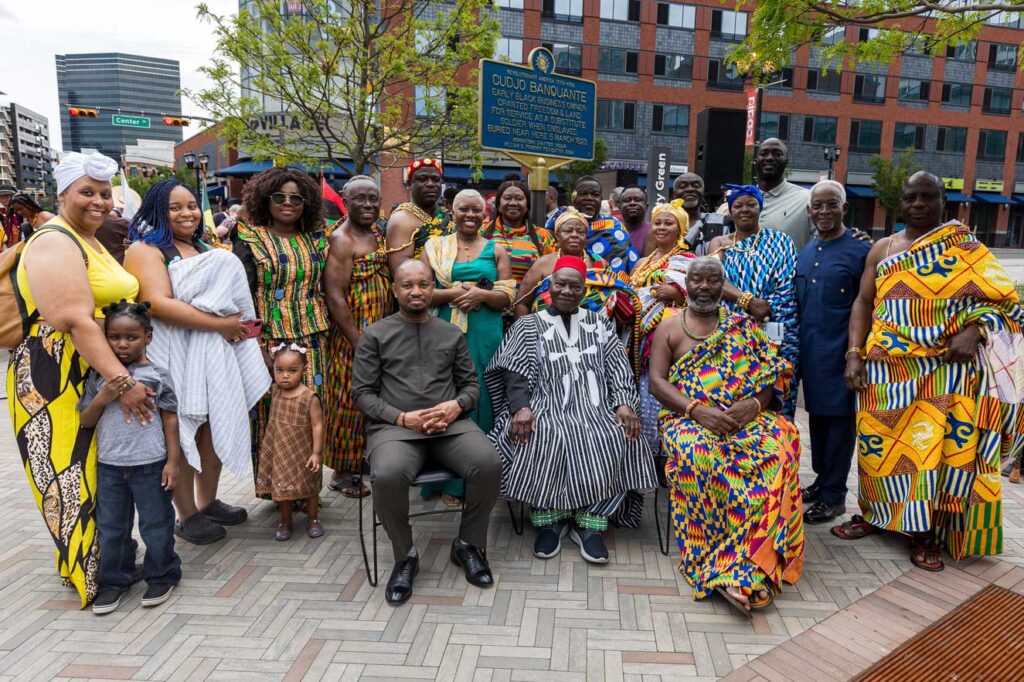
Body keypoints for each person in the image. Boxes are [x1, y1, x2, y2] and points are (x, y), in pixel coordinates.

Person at [833, 172, 1024, 571]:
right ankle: (875, 515)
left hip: (944, 371)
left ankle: (924, 534)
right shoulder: (883, 249)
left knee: (930, 454)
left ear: (943, 202)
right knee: (877, 451)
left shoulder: (968, 249)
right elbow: (863, 303)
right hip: (886, 371)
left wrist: (974, 330)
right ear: (900, 203)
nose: (919, 204)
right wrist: (854, 354)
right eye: (911, 197)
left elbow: (1007, 305)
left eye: (927, 197)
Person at [7, 152, 152, 606]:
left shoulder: (84, 238)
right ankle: (89, 572)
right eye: (86, 192)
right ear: (62, 193)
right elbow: (74, 319)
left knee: (94, 471)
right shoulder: (54, 241)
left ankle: (109, 561)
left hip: (87, 370)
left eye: (104, 194)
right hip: (53, 376)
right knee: (70, 475)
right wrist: (123, 384)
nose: (99, 202)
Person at [649, 256, 804, 613]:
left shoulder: (743, 326)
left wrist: (754, 403)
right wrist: (697, 411)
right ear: (685, 284)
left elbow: (771, 377)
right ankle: (722, 564)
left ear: (724, 286)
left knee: (781, 446)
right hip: (687, 418)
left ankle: (753, 560)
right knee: (700, 457)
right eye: (697, 279)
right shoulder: (669, 328)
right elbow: (657, 383)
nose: (704, 286)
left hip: (743, 418)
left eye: (713, 280)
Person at [486, 255, 658, 562]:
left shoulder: (600, 324)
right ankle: (550, 520)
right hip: (543, 402)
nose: (567, 290)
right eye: (560, 284)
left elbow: (618, 369)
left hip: (595, 405)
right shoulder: (528, 324)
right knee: (542, 434)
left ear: (584, 290)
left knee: (618, 433)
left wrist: (622, 403)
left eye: (574, 286)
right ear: (549, 286)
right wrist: (521, 408)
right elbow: (514, 372)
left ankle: (590, 523)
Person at [124, 179, 268, 545]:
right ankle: (186, 515)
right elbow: (156, 303)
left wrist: (240, 328)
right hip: (176, 353)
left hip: (213, 352)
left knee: (213, 425)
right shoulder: (146, 250)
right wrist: (221, 324)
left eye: (190, 205)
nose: (187, 212)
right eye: (175, 207)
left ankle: (208, 501)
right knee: (184, 428)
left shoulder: (203, 245)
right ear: (158, 210)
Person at [351, 259, 501, 605]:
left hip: (450, 427)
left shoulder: (451, 333)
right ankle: (405, 556)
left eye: (423, 284)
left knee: (489, 463)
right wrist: (403, 418)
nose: (416, 291)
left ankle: (467, 544)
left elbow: (470, 387)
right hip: (396, 430)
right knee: (387, 475)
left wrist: (455, 407)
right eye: (407, 285)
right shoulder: (375, 334)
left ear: (433, 289)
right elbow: (362, 393)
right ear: (395, 290)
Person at [78, 301, 182, 614]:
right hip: (110, 468)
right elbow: (86, 420)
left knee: (156, 525)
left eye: (131, 337)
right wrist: (104, 396)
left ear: (148, 337)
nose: (122, 344)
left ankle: (162, 574)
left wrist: (173, 462)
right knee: (111, 529)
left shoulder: (158, 375)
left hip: (150, 465)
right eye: (114, 337)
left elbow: (171, 419)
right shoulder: (99, 377)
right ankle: (115, 580)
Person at [234, 167, 332, 489]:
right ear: (266, 199)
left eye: (296, 198)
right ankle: (275, 489)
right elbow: (241, 295)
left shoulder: (316, 240)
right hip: (270, 340)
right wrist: (256, 345)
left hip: (313, 336)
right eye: (279, 197)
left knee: (311, 409)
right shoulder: (250, 238)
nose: (287, 203)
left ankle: (308, 490)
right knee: (271, 414)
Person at [420, 190, 515, 506]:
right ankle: (449, 481)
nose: (470, 215)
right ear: (452, 210)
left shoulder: (496, 249)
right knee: (447, 397)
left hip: (485, 333)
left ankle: (479, 479)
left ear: (485, 213)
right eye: (463, 209)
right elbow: (420, 293)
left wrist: (481, 296)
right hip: (443, 333)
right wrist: (458, 294)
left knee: (483, 398)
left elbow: (507, 297)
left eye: (477, 210)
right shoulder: (434, 248)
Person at [796, 181, 870, 525]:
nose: (824, 212)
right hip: (811, 356)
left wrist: (856, 354)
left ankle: (834, 496)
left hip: (842, 356)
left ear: (844, 208)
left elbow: (868, 304)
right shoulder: (808, 249)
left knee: (840, 427)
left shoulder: (860, 251)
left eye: (831, 205)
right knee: (818, 421)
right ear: (809, 211)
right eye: (817, 206)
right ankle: (822, 480)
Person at [323, 176, 392, 498]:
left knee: (373, 399)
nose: (367, 205)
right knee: (349, 401)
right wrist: (356, 339)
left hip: (381, 333)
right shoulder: (342, 239)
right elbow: (335, 295)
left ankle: (361, 459)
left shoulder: (378, 233)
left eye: (373, 199)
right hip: (355, 337)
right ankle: (342, 471)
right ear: (345, 201)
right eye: (360, 199)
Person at [707, 184, 799, 416]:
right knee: (732, 396)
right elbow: (712, 280)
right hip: (728, 332)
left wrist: (765, 310)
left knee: (772, 394)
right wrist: (748, 301)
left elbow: (786, 285)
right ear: (731, 210)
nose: (744, 210)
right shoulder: (720, 243)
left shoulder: (781, 241)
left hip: (773, 328)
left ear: (760, 208)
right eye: (738, 206)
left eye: (751, 204)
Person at [629, 203, 693, 460]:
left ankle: (667, 456)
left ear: (680, 228)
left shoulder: (687, 260)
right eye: (658, 222)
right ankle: (644, 454)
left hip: (670, 340)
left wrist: (680, 294)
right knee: (642, 390)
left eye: (669, 223)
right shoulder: (644, 261)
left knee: (665, 390)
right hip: (638, 337)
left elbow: (702, 294)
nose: (662, 227)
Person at [515, 209, 638, 334]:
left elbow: (612, 298)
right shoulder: (542, 264)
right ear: (557, 235)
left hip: (590, 337)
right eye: (568, 231)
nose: (574, 235)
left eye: (580, 232)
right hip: (545, 335)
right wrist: (527, 334)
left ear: (586, 236)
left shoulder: (599, 264)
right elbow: (521, 303)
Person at [256, 344, 325, 541]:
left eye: (292, 371)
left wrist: (316, 453)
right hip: (280, 451)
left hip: (303, 451)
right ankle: (285, 521)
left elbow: (317, 426)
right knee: (283, 489)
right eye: (280, 370)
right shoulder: (275, 391)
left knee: (310, 487)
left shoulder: (308, 397)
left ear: (304, 370)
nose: (285, 375)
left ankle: (313, 519)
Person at [545, 176, 638, 276]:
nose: (589, 198)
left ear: (601, 200)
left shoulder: (615, 227)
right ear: (573, 198)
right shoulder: (556, 224)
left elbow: (628, 268)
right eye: (583, 194)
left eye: (595, 195)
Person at [482, 179, 556, 287]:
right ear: (498, 205)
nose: (513, 203)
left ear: (527, 206)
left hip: (526, 301)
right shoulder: (482, 231)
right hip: (485, 298)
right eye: (507, 198)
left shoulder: (543, 236)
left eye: (519, 198)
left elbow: (552, 274)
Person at [384, 158, 450, 272]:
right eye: (422, 179)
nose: (430, 184)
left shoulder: (445, 214)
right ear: (409, 184)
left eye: (436, 179)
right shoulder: (401, 219)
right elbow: (401, 273)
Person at [755, 138, 813, 252]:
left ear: (787, 161)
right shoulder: (740, 200)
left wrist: (856, 237)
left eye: (777, 154)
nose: (770, 158)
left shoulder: (808, 199)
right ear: (756, 160)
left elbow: (830, 238)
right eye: (764, 153)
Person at [671, 173, 729, 256]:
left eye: (696, 186)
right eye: (683, 186)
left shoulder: (722, 223)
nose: (690, 189)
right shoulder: (665, 225)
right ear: (674, 194)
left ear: (702, 192)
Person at [617, 186, 653, 256]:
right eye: (627, 200)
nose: (632, 203)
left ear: (646, 206)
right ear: (619, 207)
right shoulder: (611, 230)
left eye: (638, 200)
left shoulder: (655, 231)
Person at [0, 184, 19, 248]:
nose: (9, 198)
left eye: (10, 196)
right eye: (5, 196)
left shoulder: (13, 209)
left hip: (15, 246)